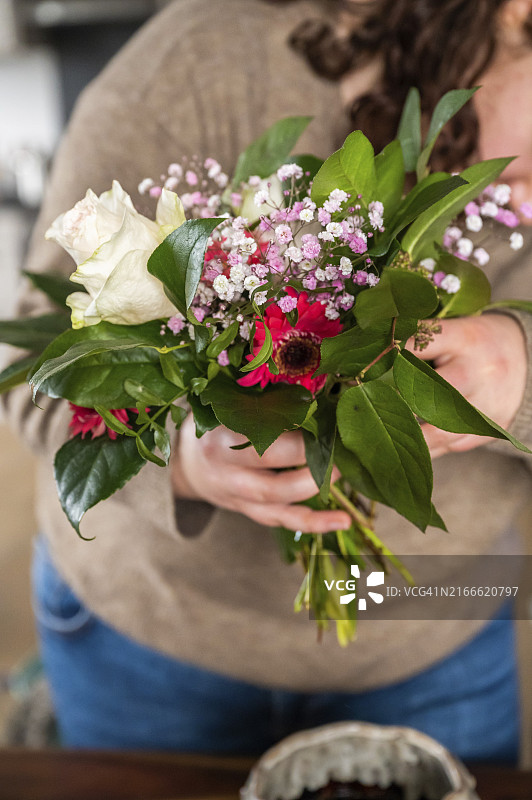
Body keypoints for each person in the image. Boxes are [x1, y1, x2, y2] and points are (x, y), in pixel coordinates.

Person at [3, 0, 532, 761]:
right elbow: (38, 373)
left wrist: (523, 370)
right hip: (155, 641)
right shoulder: (189, 70)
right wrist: (176, 460)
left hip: (435, 633)